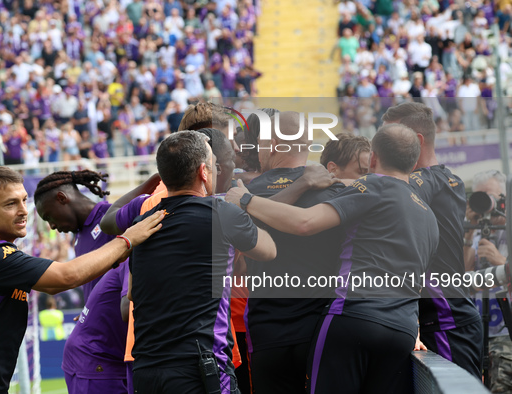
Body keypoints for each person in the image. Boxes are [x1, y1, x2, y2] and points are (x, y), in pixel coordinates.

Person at [226, 124, 439, 393]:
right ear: (414, 162)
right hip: (402, 330)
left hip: (353, 318)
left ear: (373, 158)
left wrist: (246, 199)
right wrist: (415, 329)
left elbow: (305, 222)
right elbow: (418, 282)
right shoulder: (428, 215)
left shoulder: (373, 187)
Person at [0, 166, 164, 393]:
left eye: (23, 201)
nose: (23, 211)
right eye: (10, 204)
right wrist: (128, 239)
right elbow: (67, 276)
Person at [129, 131, 277, 393]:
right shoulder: (222, 214)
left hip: (147, 371)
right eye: (213, 165)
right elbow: (268, 250)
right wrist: (246, 203)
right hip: (200, 370)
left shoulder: (142, 223)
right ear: (203, 172)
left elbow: (132, 292)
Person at [240, 112, 345, 394]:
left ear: (274, 143)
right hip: (321, 330)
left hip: (267, 333)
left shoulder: (246, 193)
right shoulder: (335, 189)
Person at [34, 169, 161, 394]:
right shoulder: (78, 238)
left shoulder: (112, 218)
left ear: (61, 199)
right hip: (103, 349)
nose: (52, 226)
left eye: (49, 217)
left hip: (119, 347)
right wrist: (90, 309)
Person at [382, 102, 483, 380]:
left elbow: (383, 187)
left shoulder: (428, 181)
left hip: (446, 321)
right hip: (441, 319)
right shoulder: (448, 179)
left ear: (415, 142)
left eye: (387, 140)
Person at [464, 170, 511, 392]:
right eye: (479, 197)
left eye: (490, 197)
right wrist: (466, 233)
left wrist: (500, 261)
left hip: (506, 333)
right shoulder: (475, 233)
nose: (486, 204)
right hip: (478, 331)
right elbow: (461, 276)